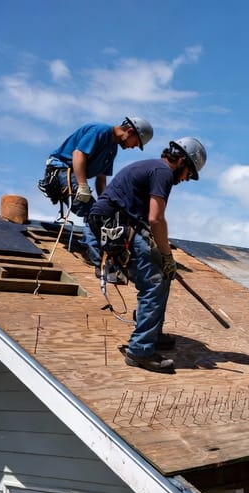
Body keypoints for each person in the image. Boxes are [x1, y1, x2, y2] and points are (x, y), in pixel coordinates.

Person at [87, 137, 207, 373]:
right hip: (117, 227)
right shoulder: (162, 172)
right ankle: (140, 350)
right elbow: (156, 219)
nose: (185, 180)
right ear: (181, 161)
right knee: (154, 282)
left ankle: (152, 332)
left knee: (164, 275)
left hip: (118, 224)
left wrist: (165, 259)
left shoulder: (152, 167)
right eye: (188, 174)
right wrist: (167, 256)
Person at [38, 117, 154, 267]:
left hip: (75, 175)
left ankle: (93, 243)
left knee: (99, 212)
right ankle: (96, 257)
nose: (133, 147)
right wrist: (82, 186)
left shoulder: (112, 150)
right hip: (62, 169)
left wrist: (106, 203)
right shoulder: (100, 131)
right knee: (93, 214)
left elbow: (101, 180)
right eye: (136, 143)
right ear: (130, 131)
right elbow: (78, 155)